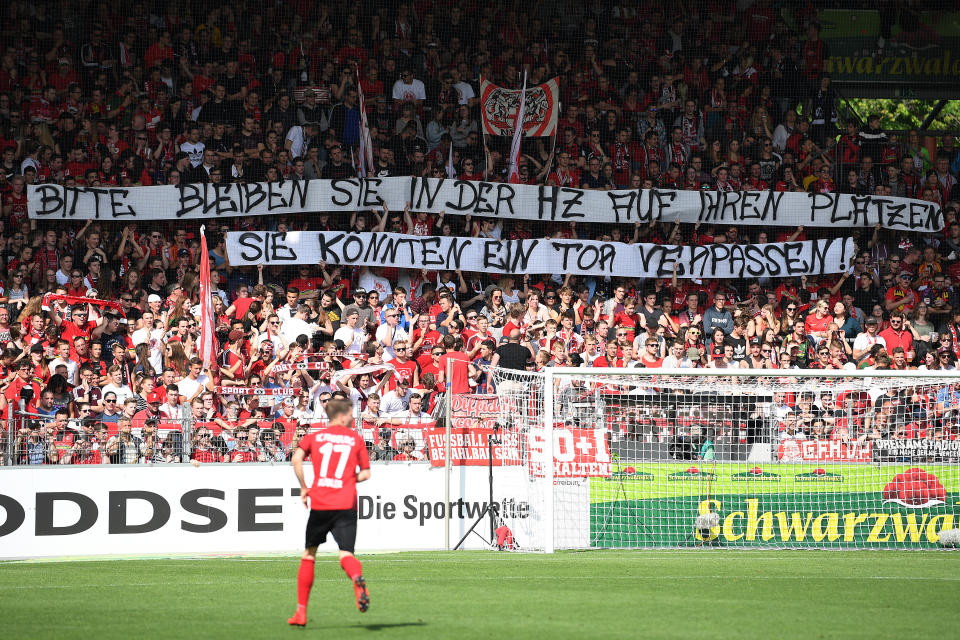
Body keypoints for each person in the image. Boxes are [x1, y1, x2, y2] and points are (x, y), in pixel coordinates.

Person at [289, 398, 371, 626]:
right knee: (346, 554)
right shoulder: (355, 439)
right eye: (352, 414)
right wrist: (346, 479)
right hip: (346, 503)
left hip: (321, 503)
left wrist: (304, 487)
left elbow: (296, 458)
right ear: (342, 415)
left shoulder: (314, 436)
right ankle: (356, 577)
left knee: (309, 555)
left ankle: (301, 612)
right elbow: (365, 474)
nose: (353, 418)